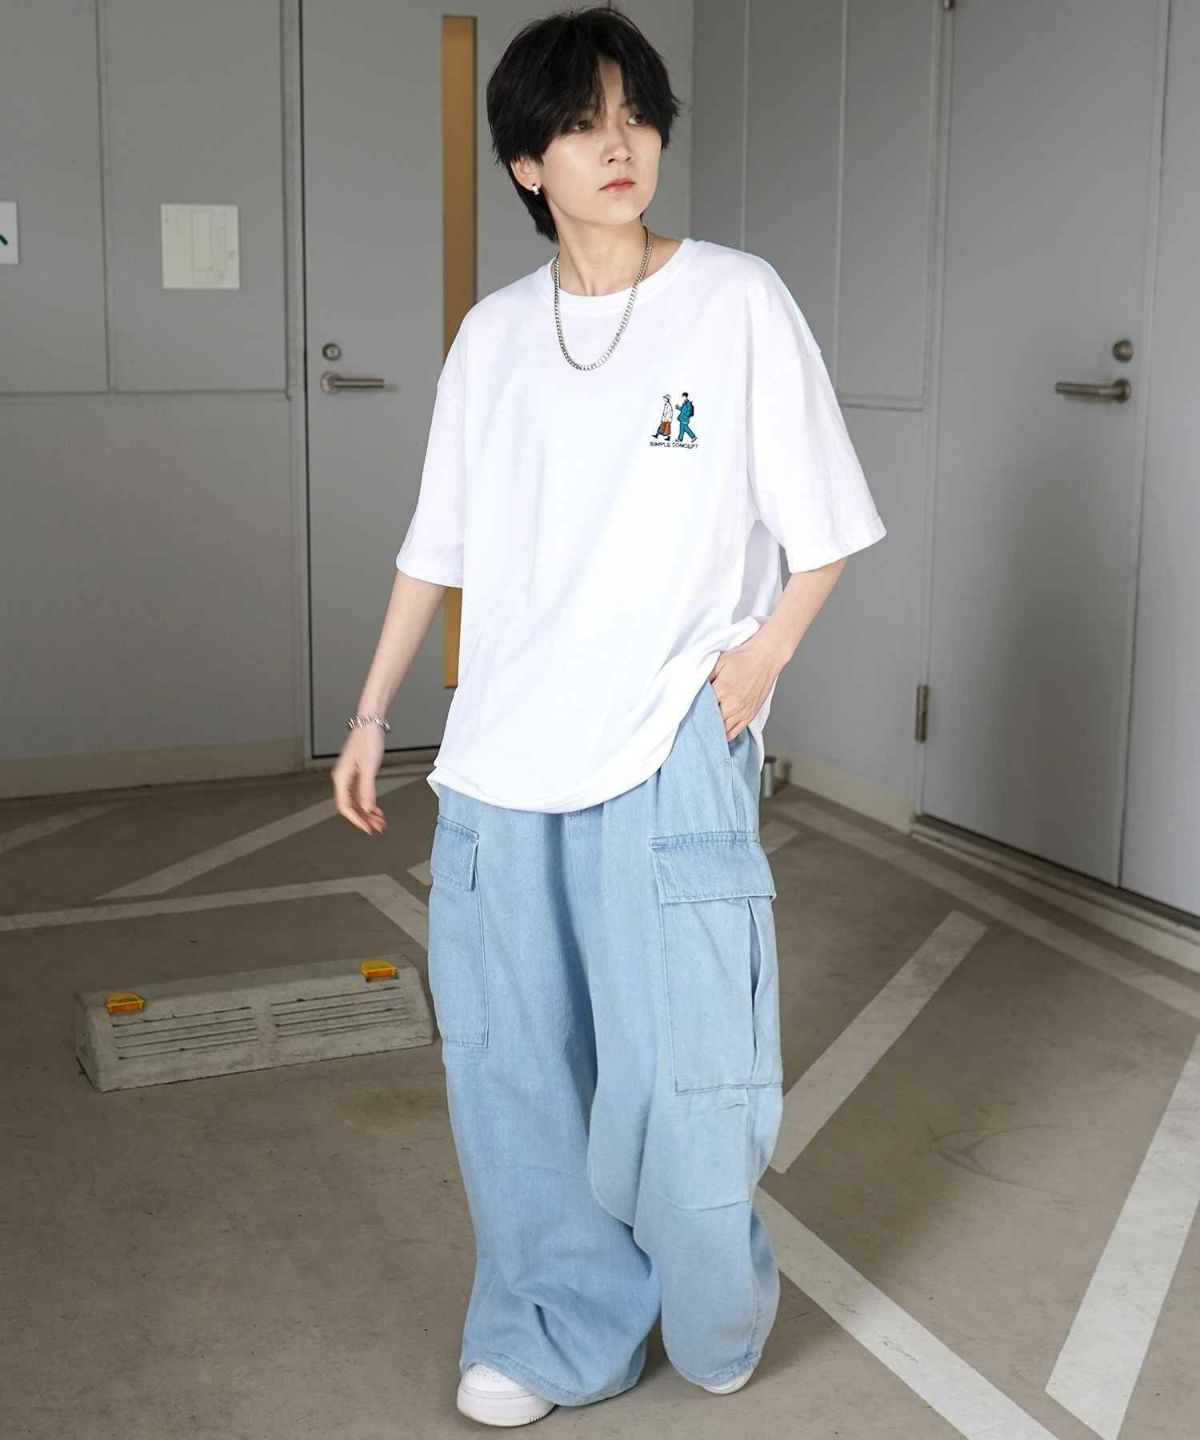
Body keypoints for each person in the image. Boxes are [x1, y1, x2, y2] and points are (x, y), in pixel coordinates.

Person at [332, 5, 887, 1428]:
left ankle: (709, 1309)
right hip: (504, 753)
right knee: (514, 1073)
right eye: (582, 125)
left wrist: (760, 662)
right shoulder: (494, 337)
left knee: (686, 1074)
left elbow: (823, 522)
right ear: (529, 164)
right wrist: (373, 708)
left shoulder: (735, 300)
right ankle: (550, 1331)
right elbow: (438, 540)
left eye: (635, 114)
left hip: (666, 743)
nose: (619, 143)